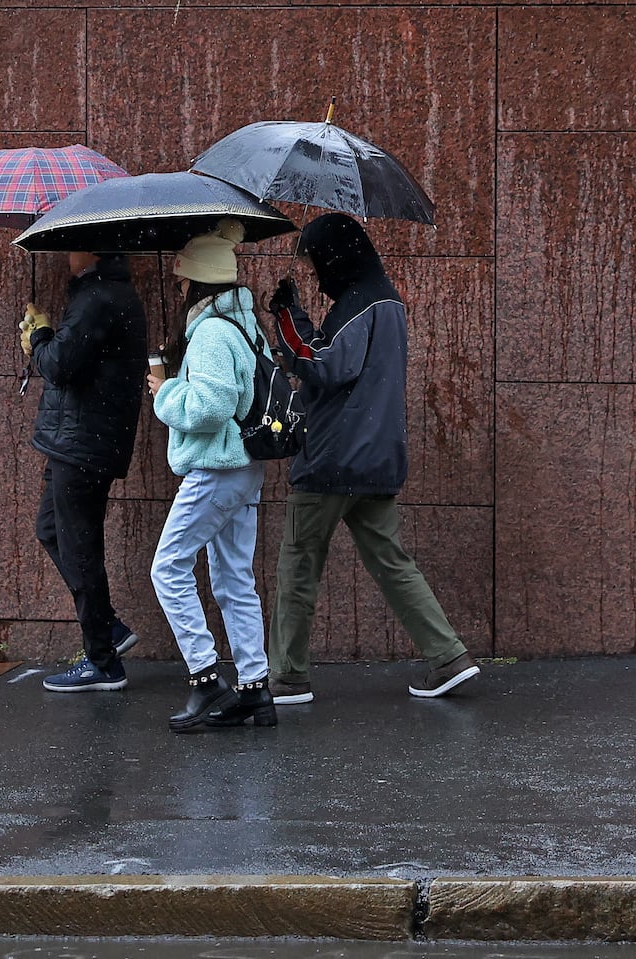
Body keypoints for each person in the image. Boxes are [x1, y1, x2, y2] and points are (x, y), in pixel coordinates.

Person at [264, 212, 478, 704]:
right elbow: (348, 364)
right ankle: (448, 655)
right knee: (392, 561)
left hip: (332, 458)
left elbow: (322, 364)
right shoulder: (387, 300)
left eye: (317, 262)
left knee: (299, 564)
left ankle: (288, 676)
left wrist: (287, 318)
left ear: (338, 257)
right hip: (377, 457)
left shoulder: (359, 303)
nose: (316, 275)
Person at [146, 219, 276, 732]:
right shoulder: (243, 325)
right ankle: (254, 689)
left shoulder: (211, 333)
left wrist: (164, 393)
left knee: (168, 568)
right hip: (245, 469)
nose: (177, 292)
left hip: (217, 469)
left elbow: (210, 406)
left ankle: (205, 678)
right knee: (233, 580)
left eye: (180, 283)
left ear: (195, 282)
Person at [22, 251, 147, 693]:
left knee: (80, 547)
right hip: (84, 439)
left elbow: (59, 364)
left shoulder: (97, 298)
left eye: (72, 248)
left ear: (90, 251)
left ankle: (102, 661)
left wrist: (38, 337)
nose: (65, 256)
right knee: (52, 530)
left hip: (83, 442)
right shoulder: (107, 295)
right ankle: (107, 628)